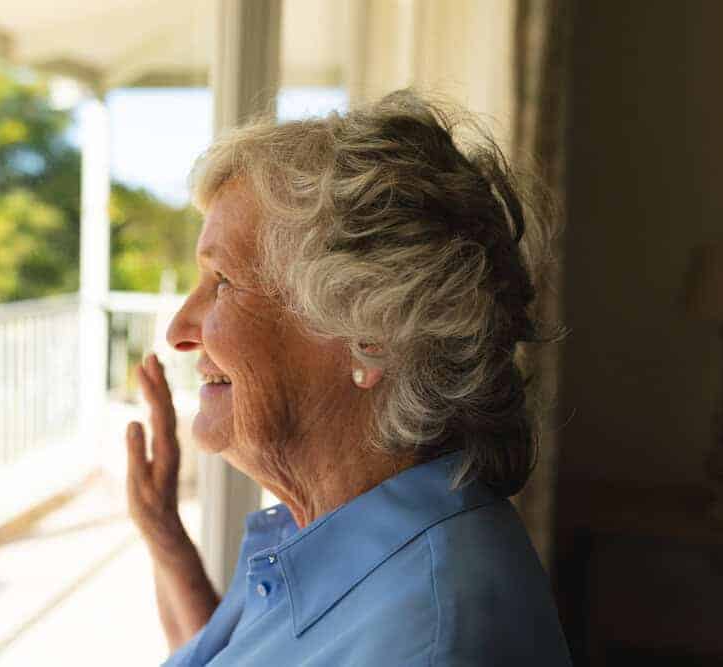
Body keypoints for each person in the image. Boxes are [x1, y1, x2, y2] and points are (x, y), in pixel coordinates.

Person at [124, 90, 572, 666]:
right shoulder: (339, 532)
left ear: (373, 331)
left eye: (223, 282)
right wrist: (165, 536)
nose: (181, 329)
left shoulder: (427, 644)